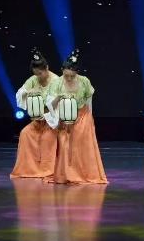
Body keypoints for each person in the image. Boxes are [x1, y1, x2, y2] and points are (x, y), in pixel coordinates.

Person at [45, 49, 108, 184]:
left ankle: (84, 173)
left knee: (81, 144)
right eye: (66, 75)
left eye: (72, 76)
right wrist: (58, 98)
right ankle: (67, 174)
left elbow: (89, 102)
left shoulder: (84, 81)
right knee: (65, 145)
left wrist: (90, 119)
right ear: (62, 71)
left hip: (82, 116)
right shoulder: (57, 83)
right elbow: (50, 105)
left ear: (77, 73)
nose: (68, 78)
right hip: (64, 117)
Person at [10, 48, 60, 178]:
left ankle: (47, 169)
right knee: (25, 133)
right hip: (38, 120)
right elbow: (20, 94)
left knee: (46, 138)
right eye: (36, 74)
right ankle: (29, 168)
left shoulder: (56, 81)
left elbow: (59, 105)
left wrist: (47, 115)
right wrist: (27, 92)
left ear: (47, 68)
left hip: (52, 121)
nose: (38, 76)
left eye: (40, 73)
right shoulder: (33, 80)